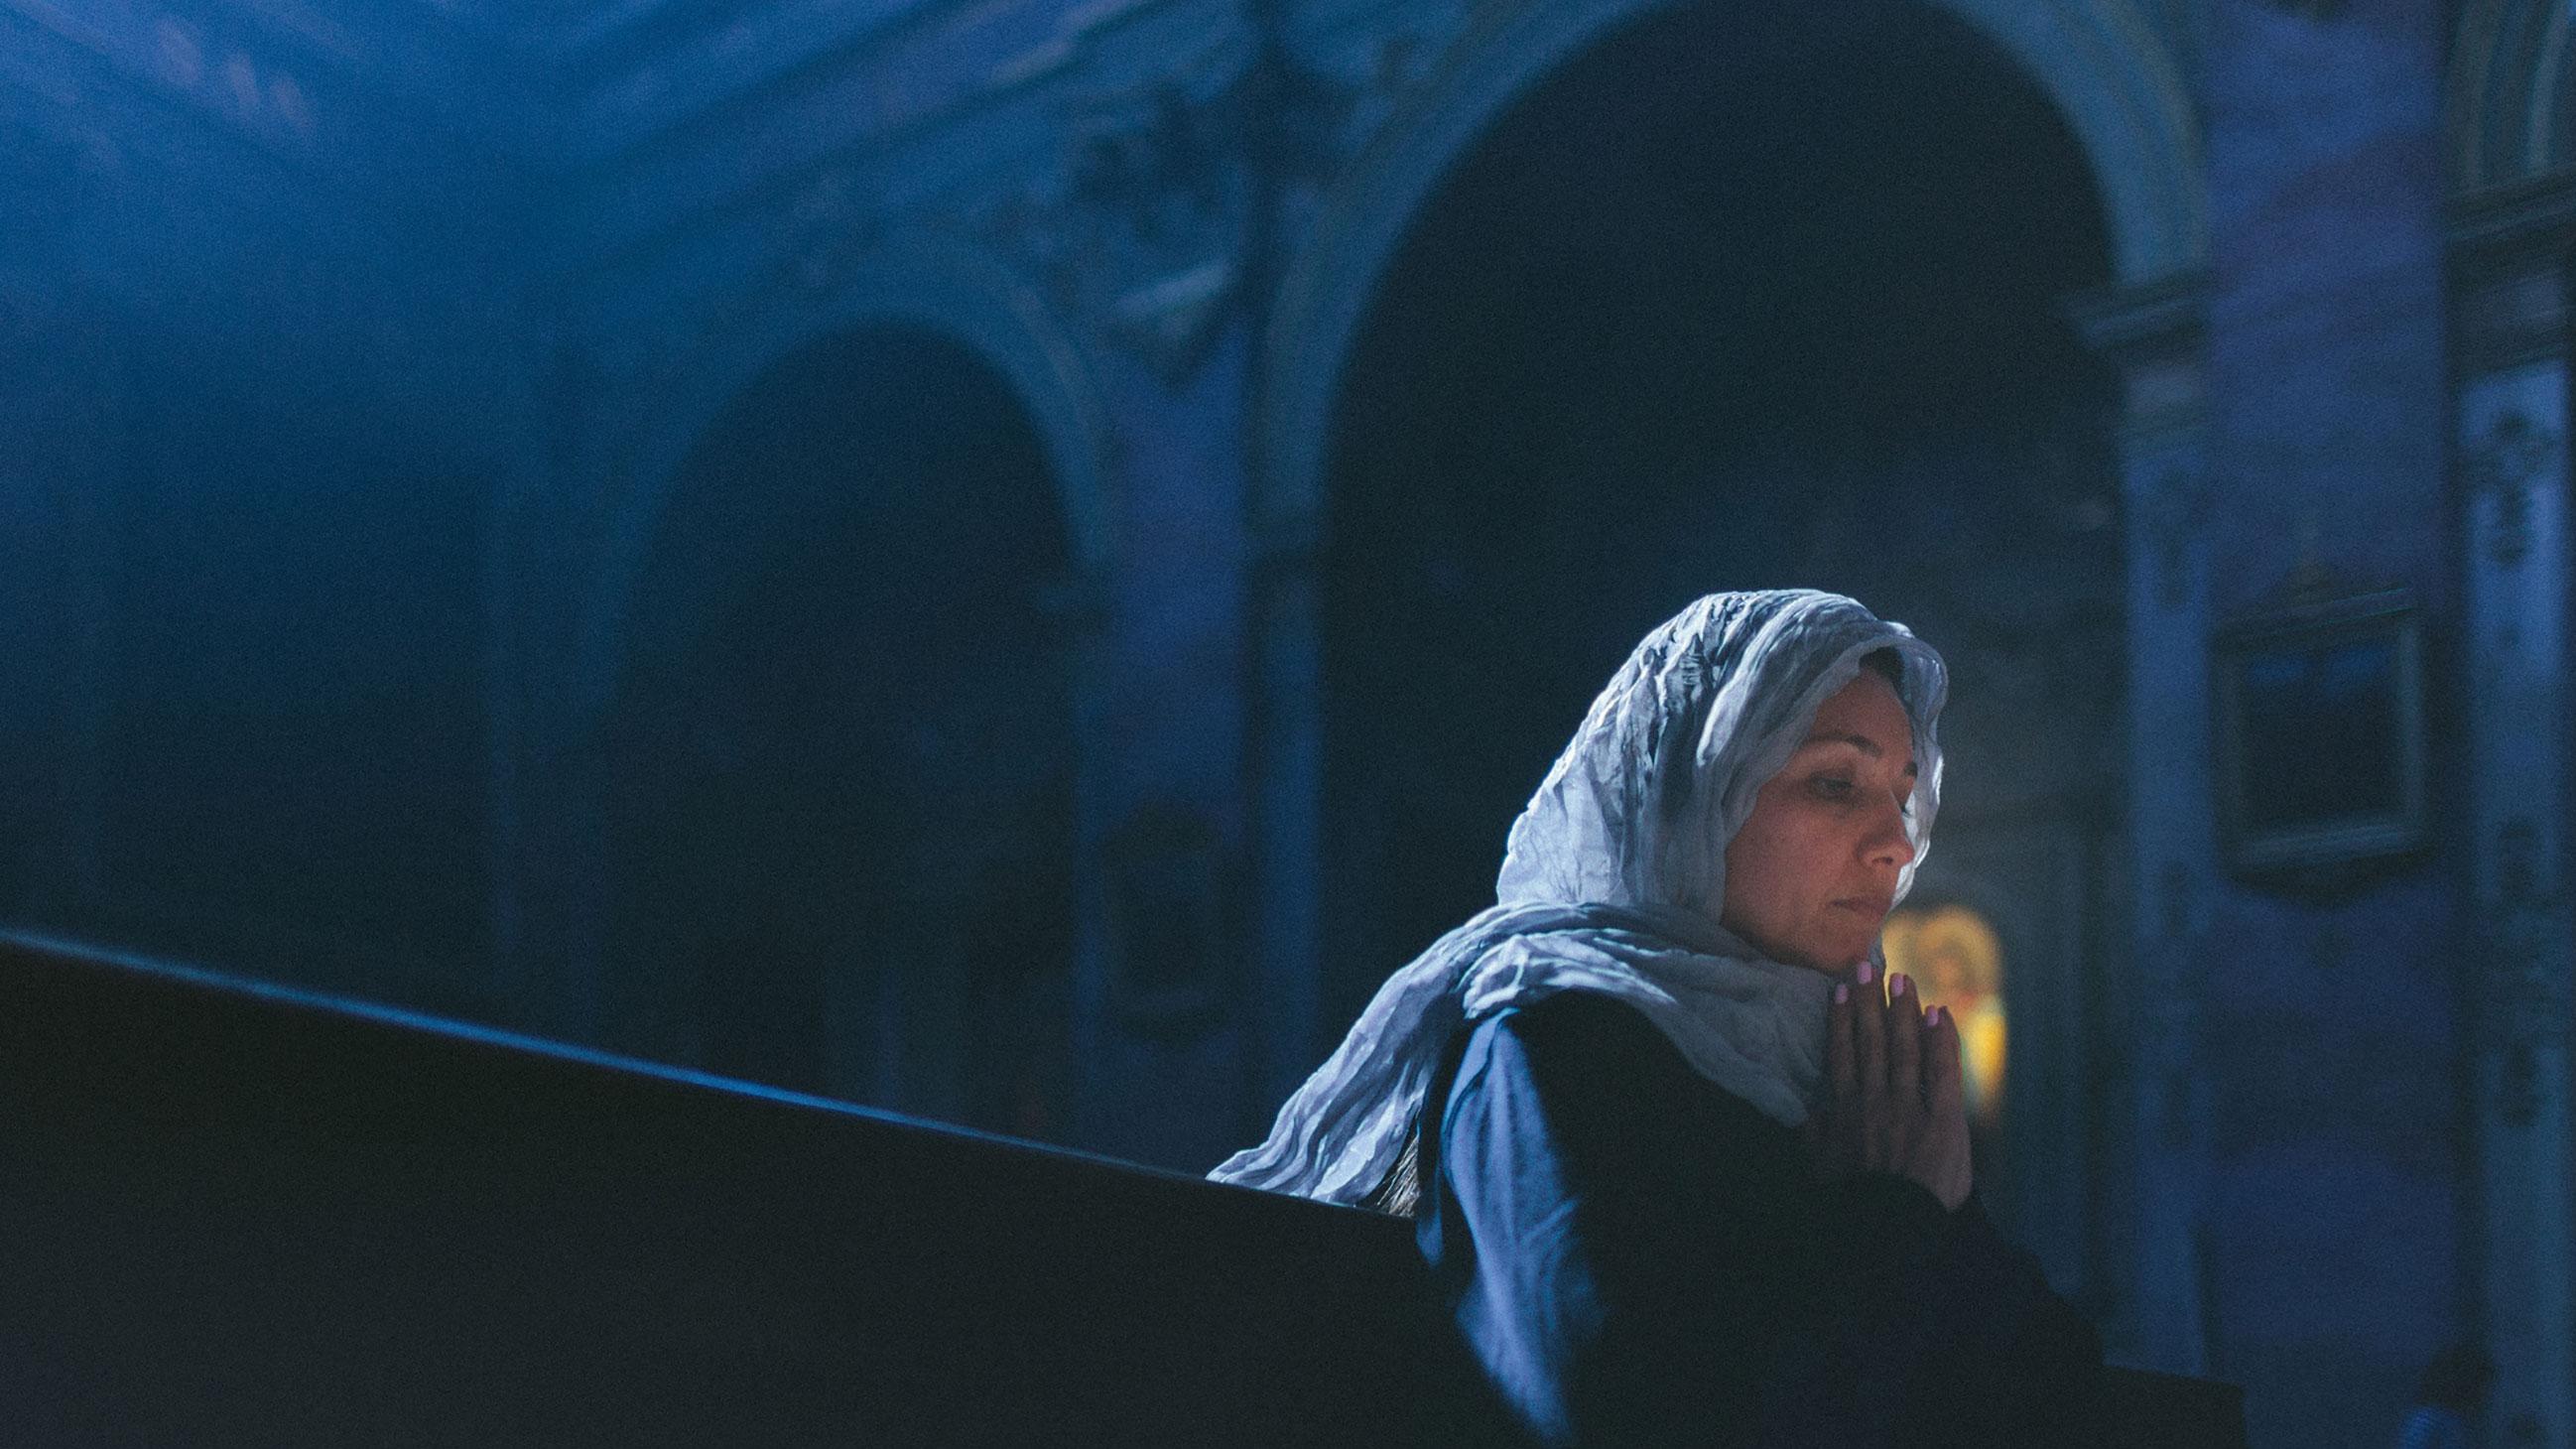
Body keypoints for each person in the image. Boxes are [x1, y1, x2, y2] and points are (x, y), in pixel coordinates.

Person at [1212, 591, 2101, 1446]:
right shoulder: (1545, 1048)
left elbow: (2060, 1402)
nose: (1899, 843)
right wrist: (1900, 1221)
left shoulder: (1841, 1077)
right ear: (1690, 792)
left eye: (1903, 795)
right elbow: (1641, 1416)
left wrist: (1936, 1216)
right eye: (1836, 783)